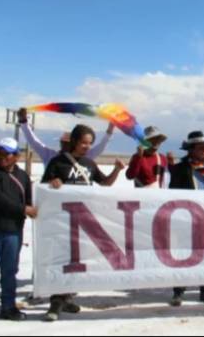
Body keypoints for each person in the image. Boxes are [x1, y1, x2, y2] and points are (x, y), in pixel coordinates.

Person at [41, 124, 126, 322]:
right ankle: (55, 301)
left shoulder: (89, 163)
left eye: (90, 144)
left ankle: (68, 296)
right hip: (62, 222)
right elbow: (43, 188)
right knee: (62, 260)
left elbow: (104, 183)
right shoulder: (57, 162)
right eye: (83, 143)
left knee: (77, 263)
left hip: (84, 221)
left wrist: (116, 170)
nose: (87, 147)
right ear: (74, 141)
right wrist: (53, 184)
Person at [0, 138, 37, 329]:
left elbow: (28, 200)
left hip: (13, 231)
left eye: (6, 153)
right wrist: (23, 210)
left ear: (16, 156)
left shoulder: (23, 176)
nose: (2, 157)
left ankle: (8, 307)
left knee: (10, 271)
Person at [167, 131, 204, 307]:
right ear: (191, 150)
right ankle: (178, 291)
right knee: (183, 256)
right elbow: (173, 193)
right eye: (201, 147)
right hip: (186, 219)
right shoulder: (180, 168)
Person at [17, 107, 114, 167]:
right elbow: (33, 141)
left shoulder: (84, 157)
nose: (64, 145)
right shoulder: (50, 155)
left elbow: (101, 146)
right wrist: (23, 122)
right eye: (63, 142)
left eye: (67, 143)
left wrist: (110, 130)